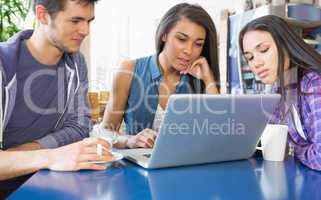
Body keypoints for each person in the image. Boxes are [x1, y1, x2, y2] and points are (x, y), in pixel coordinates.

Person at [101, 3, 220, 149]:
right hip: (137, 169)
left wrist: (208, 80)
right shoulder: (129, 71)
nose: (189, 51)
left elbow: (218, 135)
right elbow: (105, 133)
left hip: (185, 167)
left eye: (198, 44)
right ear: (164, 34)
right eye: (182, 39)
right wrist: (129, 140)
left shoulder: (199, 78)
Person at [0, 0, 96, 151]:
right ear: (43, 15)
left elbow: (80, 126)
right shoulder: (3, 64)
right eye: (75, 21)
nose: (85, 31)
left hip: (52, 171)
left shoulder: (77, 63)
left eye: (88, 21)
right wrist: (48, 156)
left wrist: (37, 150)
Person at [239, 15, 321, 171]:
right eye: (249, 58)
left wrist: (296, 150)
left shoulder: (314, 83)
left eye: (263, 50)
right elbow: (266, 138)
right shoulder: (281, 90)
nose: (256, 63)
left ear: (286, 44)